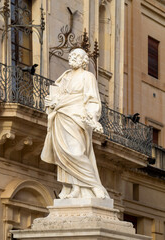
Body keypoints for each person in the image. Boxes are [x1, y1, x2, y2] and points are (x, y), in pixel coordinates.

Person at [41, 48, 110, 199]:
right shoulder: (64, 77)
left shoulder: (87, 76)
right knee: (63, 154)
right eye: (71, 55)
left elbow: (92, 99)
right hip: (60, 115)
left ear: (84, 61)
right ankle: (75, 187)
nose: (72, 58)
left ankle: (94, 185)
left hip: (77, 116)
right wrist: (51, 102)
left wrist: (92, 117)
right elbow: (57, 96)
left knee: (76, 152)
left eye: (77, 56)